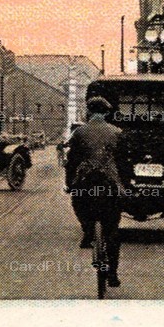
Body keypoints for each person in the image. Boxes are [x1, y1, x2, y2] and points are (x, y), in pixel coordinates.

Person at [64, 95, 126, 288]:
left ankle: (88, 230)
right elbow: (124, 162)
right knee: (112, 230)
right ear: (106, 113)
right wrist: (124, 185)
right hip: (109, 183)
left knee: (78, 203)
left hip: (86, 182)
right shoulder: (117, 132)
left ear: (89, 112)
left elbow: (71, 161)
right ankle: (113, 274)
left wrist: (70, 184)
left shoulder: (80, 132)